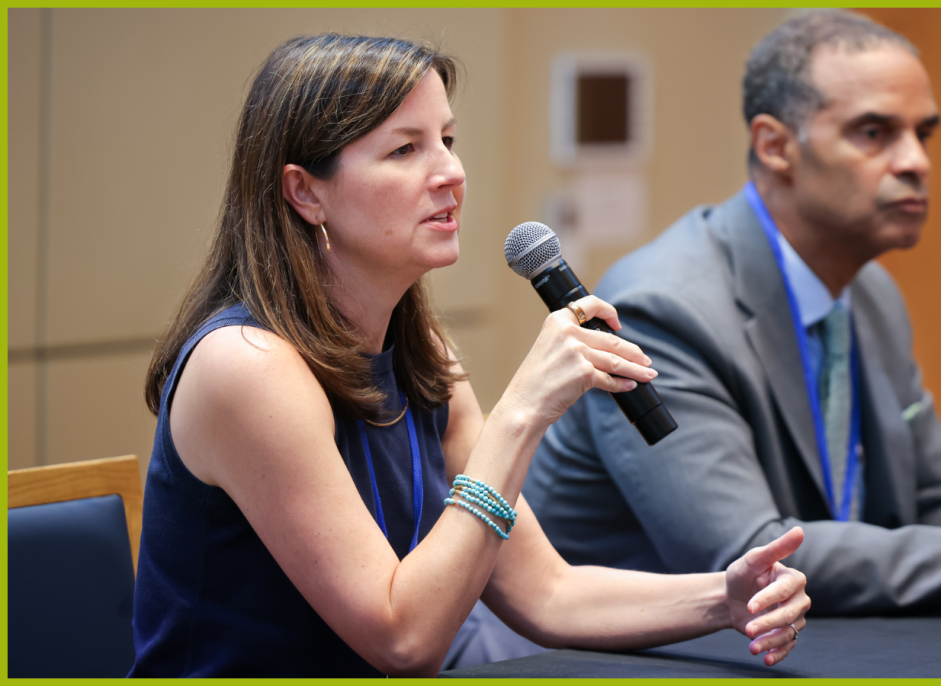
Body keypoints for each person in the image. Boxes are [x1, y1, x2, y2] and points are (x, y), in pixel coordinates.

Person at [130, 33, 810, 677]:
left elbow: (547, 593)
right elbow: (403, 640)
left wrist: (722, 598)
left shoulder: (417, 350)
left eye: (448, 141)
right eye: (405, 150)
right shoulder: (246, 367)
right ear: (306, 192)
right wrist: (522, 411)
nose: (451, 173)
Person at [522, 10, 941, 616]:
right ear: (776, 146)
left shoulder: (870, 296)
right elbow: (748, 558)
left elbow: (939, 496)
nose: (916, 162)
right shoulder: (662, 309)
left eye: (923, 134)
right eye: (875, 133)